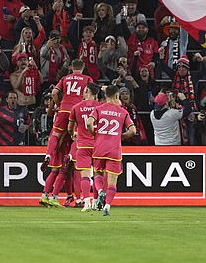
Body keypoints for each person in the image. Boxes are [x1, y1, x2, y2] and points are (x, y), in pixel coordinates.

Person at [40, 59, 93, 203]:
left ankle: (48, 156)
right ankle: (78, 198)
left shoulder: (65, 78)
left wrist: (59, 104)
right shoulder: (87, 79)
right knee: (71, 166)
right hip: (77, 111)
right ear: (83, 68)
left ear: (71, 68)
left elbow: (55, 92)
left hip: (63, 110)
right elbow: (89, 94)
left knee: (56, 135)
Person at [86, 84, 136, 216]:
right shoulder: (123, 112)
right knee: (112, 180)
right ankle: (107, 206)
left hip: (99, 147)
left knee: (97, 174)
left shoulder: (98, 109)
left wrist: (93, 133)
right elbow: (133, 130)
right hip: (114, 149)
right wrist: (121, 136)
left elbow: (89, 123)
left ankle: (100, 192)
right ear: (117, 96)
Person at [66, 82, 103, 211]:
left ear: (87, 91)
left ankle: (86, 202)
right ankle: (97, 202)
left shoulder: (76, 107)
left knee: (85, 175)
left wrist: (73, 134)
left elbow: (69, 128)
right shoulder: (101, 107)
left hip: (83, 146)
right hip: (98, 145)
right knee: (98, 174)